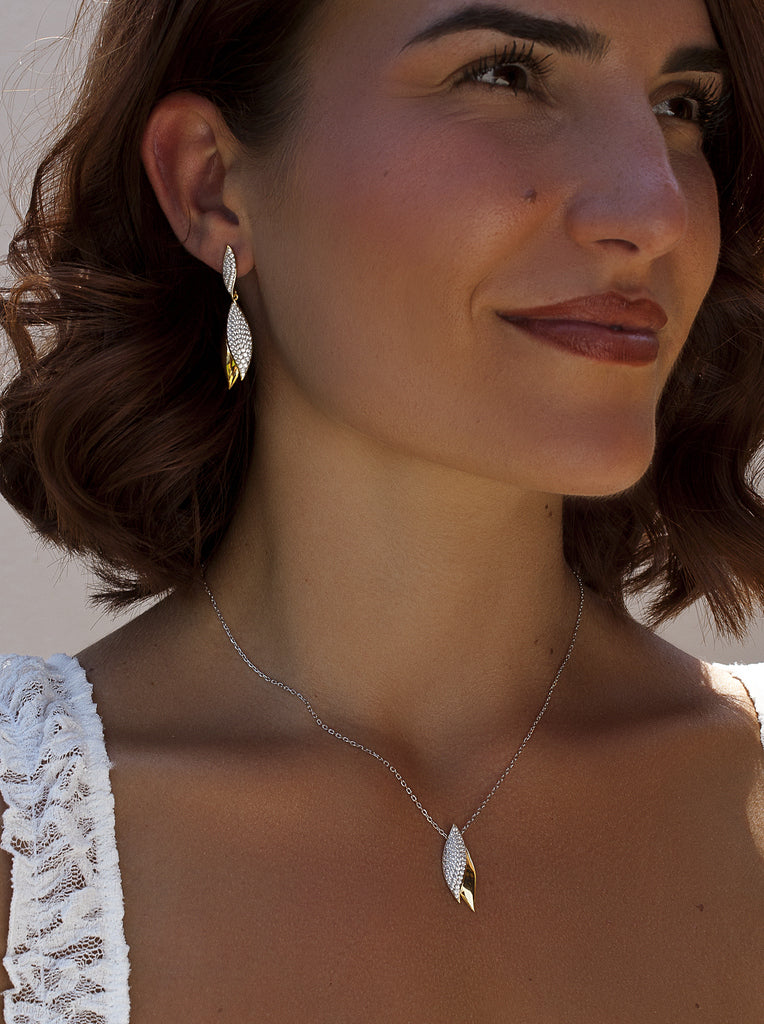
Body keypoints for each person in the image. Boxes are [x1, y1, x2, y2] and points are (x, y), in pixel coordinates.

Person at [0, 0, 763, 1019]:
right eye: (503, 74)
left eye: (680, 105)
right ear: (211, 184)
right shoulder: (25, 858)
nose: (656, 205)